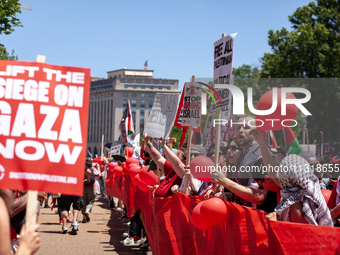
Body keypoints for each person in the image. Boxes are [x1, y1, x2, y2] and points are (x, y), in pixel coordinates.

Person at [250, 129, 333, 226]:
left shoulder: (296, 202)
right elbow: (272, 172)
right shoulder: (305, 191)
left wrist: (275, 222)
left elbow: (300, 233)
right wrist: (261, 143)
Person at [82, 157, 96, 223]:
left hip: (83, 188)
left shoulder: (82, 169)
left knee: (84, 202)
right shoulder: (91, 169)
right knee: (91, 201)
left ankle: (84, 218)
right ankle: (87, 211)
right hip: (90, 187)